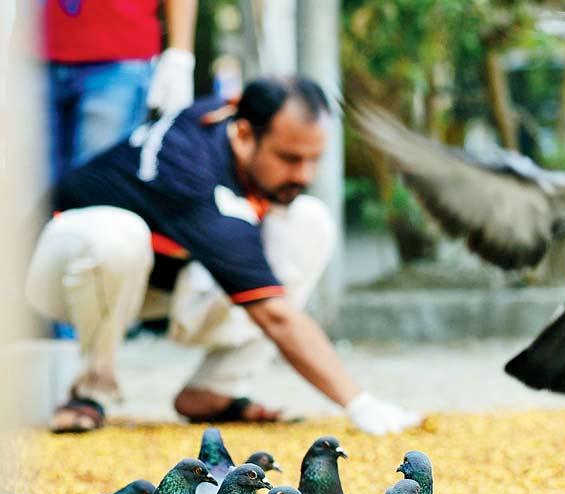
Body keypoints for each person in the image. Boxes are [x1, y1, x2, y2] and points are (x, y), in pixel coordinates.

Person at [26, 76, 420, 435]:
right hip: (60, 271)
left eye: (313, 159)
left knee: (309, 220)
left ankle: (215, 389)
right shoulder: (189, 169)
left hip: (158, 283)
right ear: (245, 135)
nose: (304, 175)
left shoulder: (233, 114)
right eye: (289, 158)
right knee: (115, 237)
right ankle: (91, 390)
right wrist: (360, 403)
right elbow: (275, 315)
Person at [44, 0, 198, 183]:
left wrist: (180, 55)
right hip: (32, 47)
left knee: (96, 189)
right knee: (26, 195)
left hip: (120, 55)